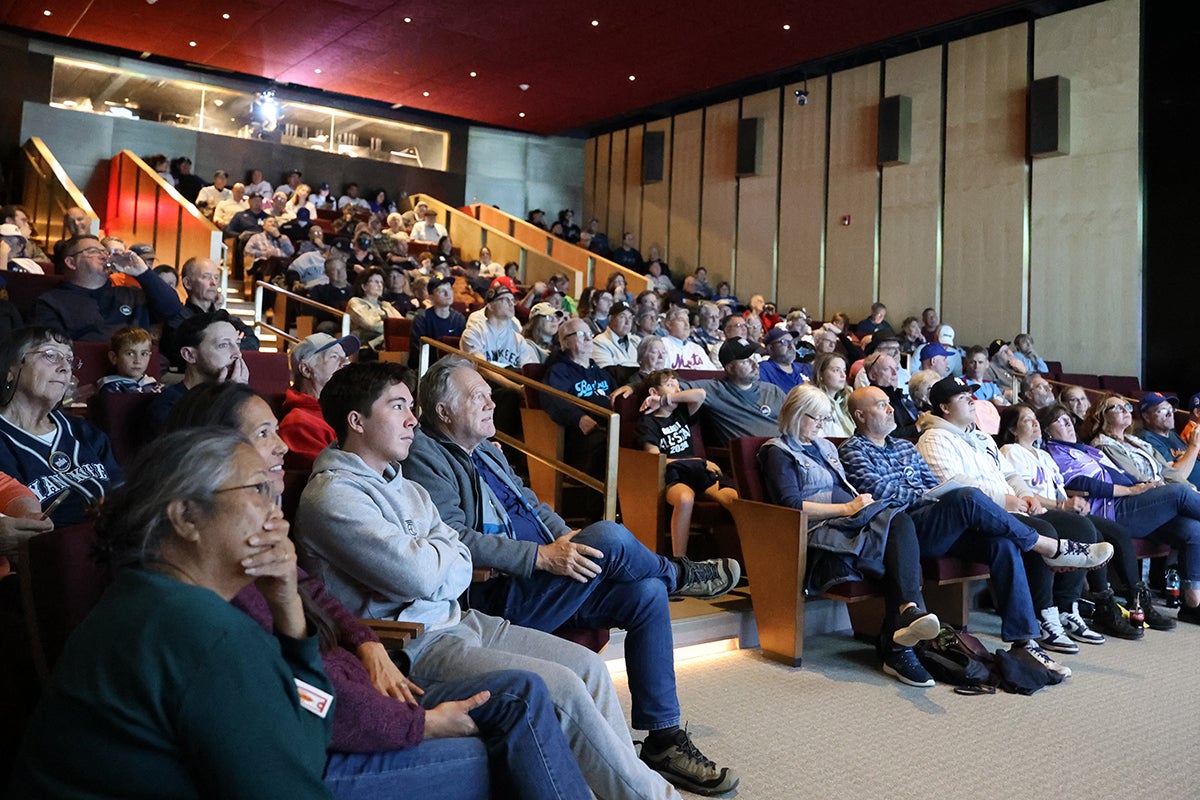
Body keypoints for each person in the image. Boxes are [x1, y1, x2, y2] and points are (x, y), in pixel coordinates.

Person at [166, 382, 592, 800]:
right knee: (515, 714)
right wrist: (417, 722)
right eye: (264, 434)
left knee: (563, 675)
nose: (281, 446)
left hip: (393, 661)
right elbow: (300, 696)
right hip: (317, 748)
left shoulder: (256, 541)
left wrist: (363, 641)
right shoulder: (213, 583)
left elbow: (322, 608)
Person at [296, 362, 700, 800]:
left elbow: (456, 557)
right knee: (562, 684)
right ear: (357, 422)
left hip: (459, 617)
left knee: (587, 668)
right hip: (413, 641)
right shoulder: (334, 495)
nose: (412, 418)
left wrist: (442, 560)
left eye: (412, 406)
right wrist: (444, 559)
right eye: (398, 407)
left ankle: (619, 787)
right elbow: (422, 574)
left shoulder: (401, 484)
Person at [403, 356, 741, 796]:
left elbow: (531, 505)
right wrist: (543, 556)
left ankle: (662, 741)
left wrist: (565, 537)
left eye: (489, 393)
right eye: (477, 396)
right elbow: (455, 537)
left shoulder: (486, 447)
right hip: (500, 593)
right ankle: (678, 572)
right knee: (612, 537)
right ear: (444, 412)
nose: (491, 403)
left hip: (543, 573)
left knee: (645, 593)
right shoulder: (425, 456)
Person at [9, 427, 334, 798]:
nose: (279, 517)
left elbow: (301, 753)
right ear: (186, 517)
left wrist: (288, 606)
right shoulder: (205, 634)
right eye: (259, 490)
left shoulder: (145, 596)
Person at [840, 386, 1113, 675]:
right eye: (881, 405)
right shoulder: (853, 450)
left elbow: (930, 486)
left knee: (1002, 544)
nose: (891, 408)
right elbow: (881, 495)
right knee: (966, 496)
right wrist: (928, 494)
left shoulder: (905, 447)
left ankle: (1025, 641)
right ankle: (1049, 548)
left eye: (888, 403)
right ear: (860, 415)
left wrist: (929, 494)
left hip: (937, 523)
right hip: (904, 531)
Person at [914, 376, 1115, 660]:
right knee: (1042, 530)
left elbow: (1009, 474)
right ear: (944, 408)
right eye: (963, 398)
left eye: (972, 395)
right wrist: (1006, 500)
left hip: (1011, 510)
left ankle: (1061, 612)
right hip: (969, 523)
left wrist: (1025, 494)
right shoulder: (934, 438)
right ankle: (1045, 615)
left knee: (1080, 526)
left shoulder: (982, 437)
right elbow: (953, 489)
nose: (973, 401)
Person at [761, 385, 942, 686]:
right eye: (816, 418)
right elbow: (790, 506)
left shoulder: (825, 447)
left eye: (825, 418)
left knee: (900, 523)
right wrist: (847, 508)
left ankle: (904, 628)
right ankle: (902, 636)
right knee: (898, 531)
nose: (822, 425)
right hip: (819, 532)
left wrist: (859, 506)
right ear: (795, 414)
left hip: (851, 521)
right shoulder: (777, 452)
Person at [1041, 401, 1200, 627]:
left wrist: (1143, 487)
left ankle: (1192, 604)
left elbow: (1130, 474)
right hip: (1112, 509)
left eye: (1070, 421)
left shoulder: (1088, 450)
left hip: (1135, 501)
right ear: (1046, 430)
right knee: (1178, 493)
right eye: (1062, 422)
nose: (1069, 425)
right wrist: (1135, 488)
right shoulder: (1057, 453)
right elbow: (1080, 482)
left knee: (1193, 529)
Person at [997, 403, 1130, 644]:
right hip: (1031, 513)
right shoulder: (1010, 451)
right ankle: (1045, 614)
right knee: (1071, 529)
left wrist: (1075, 504)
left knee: (1090, 528)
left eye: (1035, 418)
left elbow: (1060, 494)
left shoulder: (1045, 456)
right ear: (1013, 429)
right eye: (1027, 420)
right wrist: (1062, 507)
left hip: (1054, 511)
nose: (1035, 423)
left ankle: (1069, 608)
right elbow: (1023, 493)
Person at [0, 327, 122, 527]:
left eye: (69, 359)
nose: (65, 367)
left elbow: (122, 490)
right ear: (11, 369)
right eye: (50, 355)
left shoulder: (84, 431)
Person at [638, 369, 738, 557]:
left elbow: (700, 394)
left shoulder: (682, 411)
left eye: (678, 384)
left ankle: (746, 556)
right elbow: (655, 461)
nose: (677, 389)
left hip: (698, 473)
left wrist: (667, 399)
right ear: (653, 392)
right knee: (685, 499)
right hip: (673, 475)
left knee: (735, 499)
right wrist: (697, 462)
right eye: (670, 385)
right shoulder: (648, 423)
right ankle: (680, 562)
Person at [33, 235, 184, 342]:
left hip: (136, 380)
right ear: (71, 263)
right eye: (93, 251)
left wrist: (142, 272)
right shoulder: (51, 302)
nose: (105, 256)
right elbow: (51, 350)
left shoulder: (131, 294)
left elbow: (173, 309)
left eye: (104, 252)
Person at [151, 310, 249, 426]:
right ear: (189, 355)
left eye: (237, 343)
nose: (237, 354)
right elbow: (209, 442)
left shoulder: (240, 392)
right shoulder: (169, 406)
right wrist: (228, 398)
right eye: (223, 345)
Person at [280, 333, 358, 471]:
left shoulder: (346, 410)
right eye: (334, 356)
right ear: (306, 370)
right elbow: (332, 477)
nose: (346, 363)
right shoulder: (298, 424)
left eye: (345, 357)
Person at [1086, 392, 1197, 487]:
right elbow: (1135, 478)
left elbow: (1166, 470)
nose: (1126, 411)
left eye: (1128, 407)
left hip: (1170, 491)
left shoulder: (1135, 440)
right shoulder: (1104, 444)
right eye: (1118, 408)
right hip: (1151, 495)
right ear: (1102, 415)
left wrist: (1190, 488)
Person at [1136, 392, 1200, 489]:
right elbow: (1176, 478)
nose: (1170, 414)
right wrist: (1194, 446)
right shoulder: (1147, 439)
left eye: (1171, 409)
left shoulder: (1172, 435)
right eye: (1163, 411)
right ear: (1146, 417)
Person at [408, 276, 467, 364]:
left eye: (450, 289)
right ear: (431, 297)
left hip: (453, 366)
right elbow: (417, 351)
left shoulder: (459, 319)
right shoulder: (422, 319)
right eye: (441, 291)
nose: (448, 294)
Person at [347, 268, 402, 350]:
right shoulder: (356, 302)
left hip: (386, 342)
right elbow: (370, 324)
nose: (380, 285)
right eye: (376, 282)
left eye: (381, 283)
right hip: (365, 345)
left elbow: (402, 324)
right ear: (364, 286)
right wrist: (393, 329)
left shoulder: (385, 305)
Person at [96, 325, 159, 393]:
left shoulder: (152, 384)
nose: (137, 360)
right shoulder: (111, 386)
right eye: (130, 354)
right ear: (114, 357)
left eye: (144, 354)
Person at [810, 352, 855, 437]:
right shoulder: (814, 402)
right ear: (821, 374)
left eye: (844, 370)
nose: (843, 375)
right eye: (836, 370)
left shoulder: (847, 398)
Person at [757, 327, 810, 393]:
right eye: (784, 342)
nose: (791, 346)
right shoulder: (763, 370)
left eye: (792, 342)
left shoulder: (806, 368)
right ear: (770, 348)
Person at [592, 301, 640, 368]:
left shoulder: (636, 341)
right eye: (622, 317)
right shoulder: (599, 342)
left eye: (630, 318)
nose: (627, 322)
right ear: (610, 318)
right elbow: (608, 372)